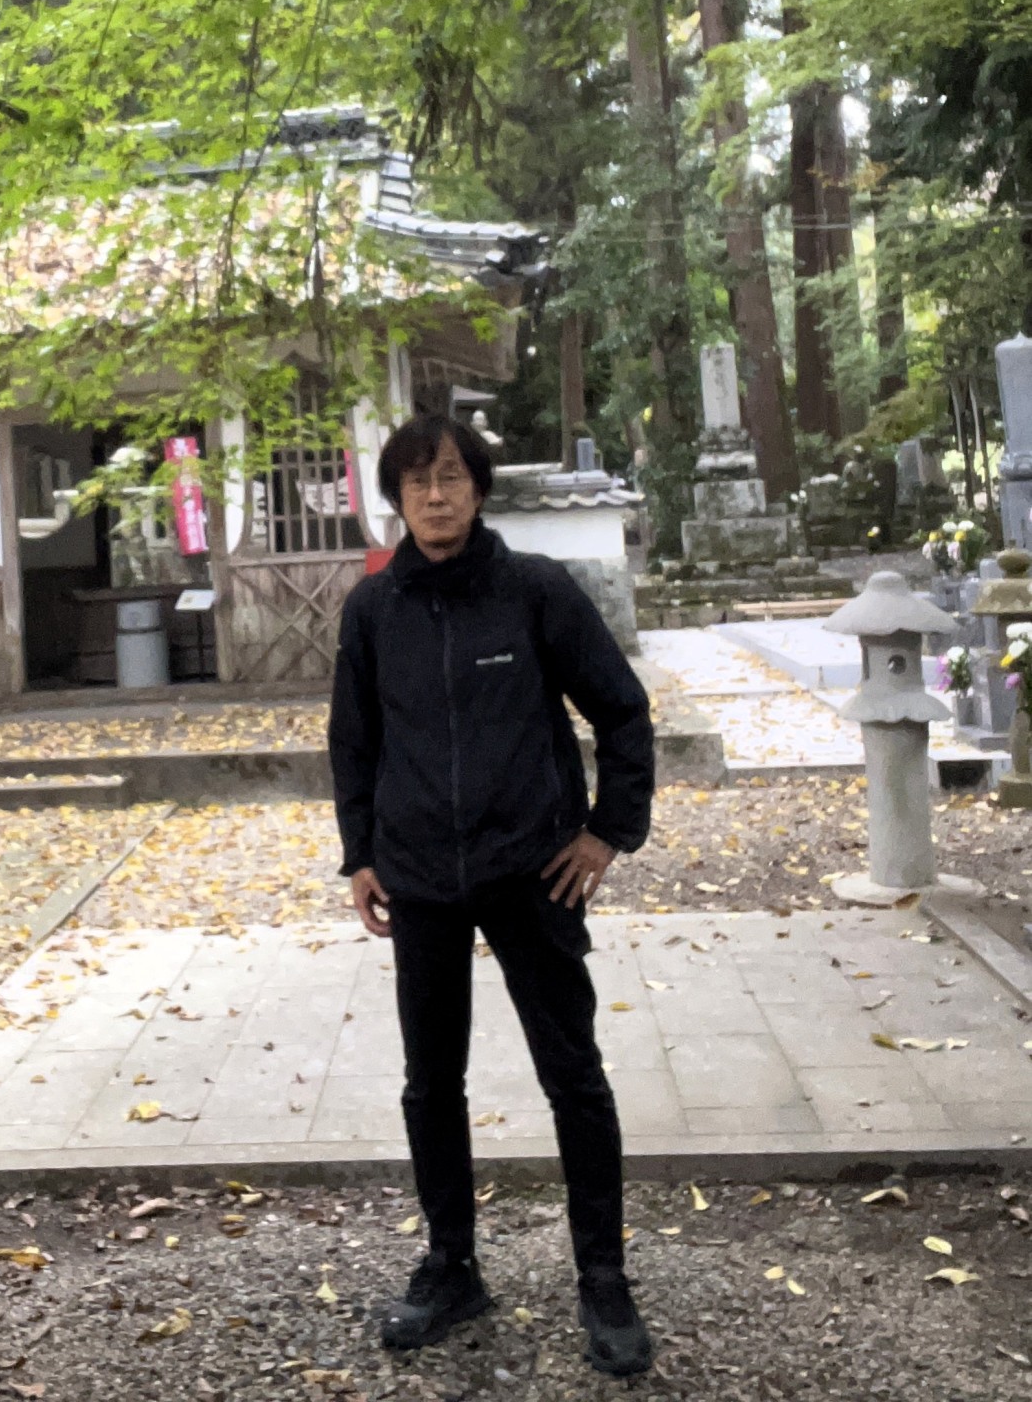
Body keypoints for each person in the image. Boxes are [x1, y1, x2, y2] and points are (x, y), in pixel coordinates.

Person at [328, 412, 655, 1378]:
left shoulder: (535, 590)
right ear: (397, 498)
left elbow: (622, 710)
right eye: (417, 482)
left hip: (532, 869)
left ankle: (603, 1277)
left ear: (478, 489)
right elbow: (354, 741)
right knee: (431, 1082)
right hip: (420, 878)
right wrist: (360, 854)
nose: (436, 497)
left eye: (452, 478)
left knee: (573, 1076)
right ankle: (451, 1265)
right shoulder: (373, 611)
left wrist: (606, 830)